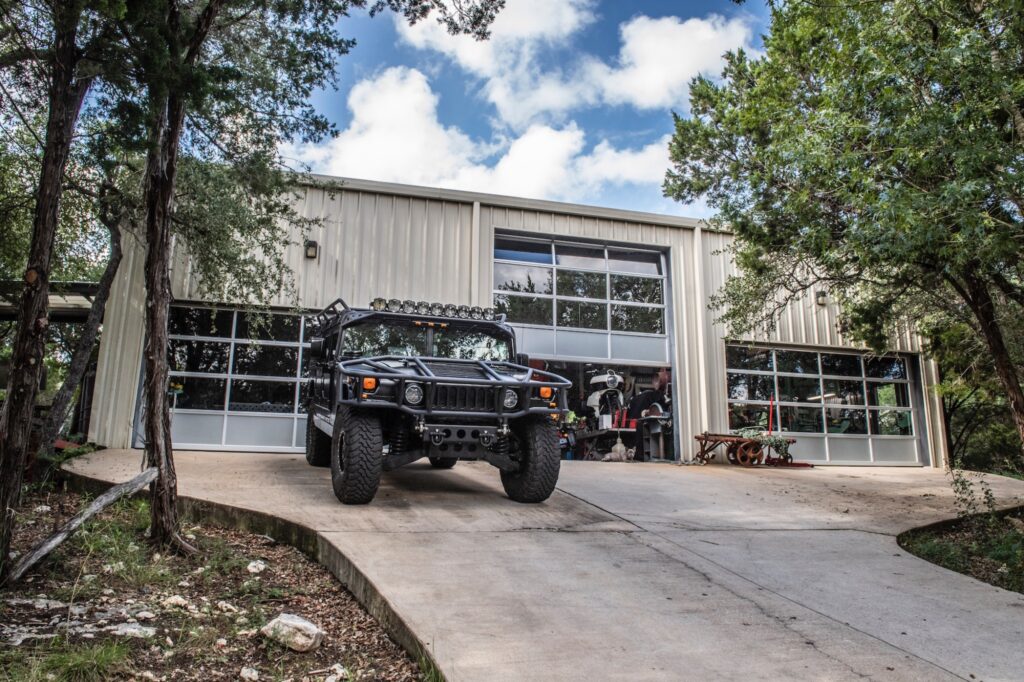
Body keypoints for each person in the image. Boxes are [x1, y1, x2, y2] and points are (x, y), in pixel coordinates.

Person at [628, 372, 668, 461]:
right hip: (644, 422)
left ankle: (641, 456)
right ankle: (645, 456)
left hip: (637, 422)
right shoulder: (652, 395)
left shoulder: (639, 398)